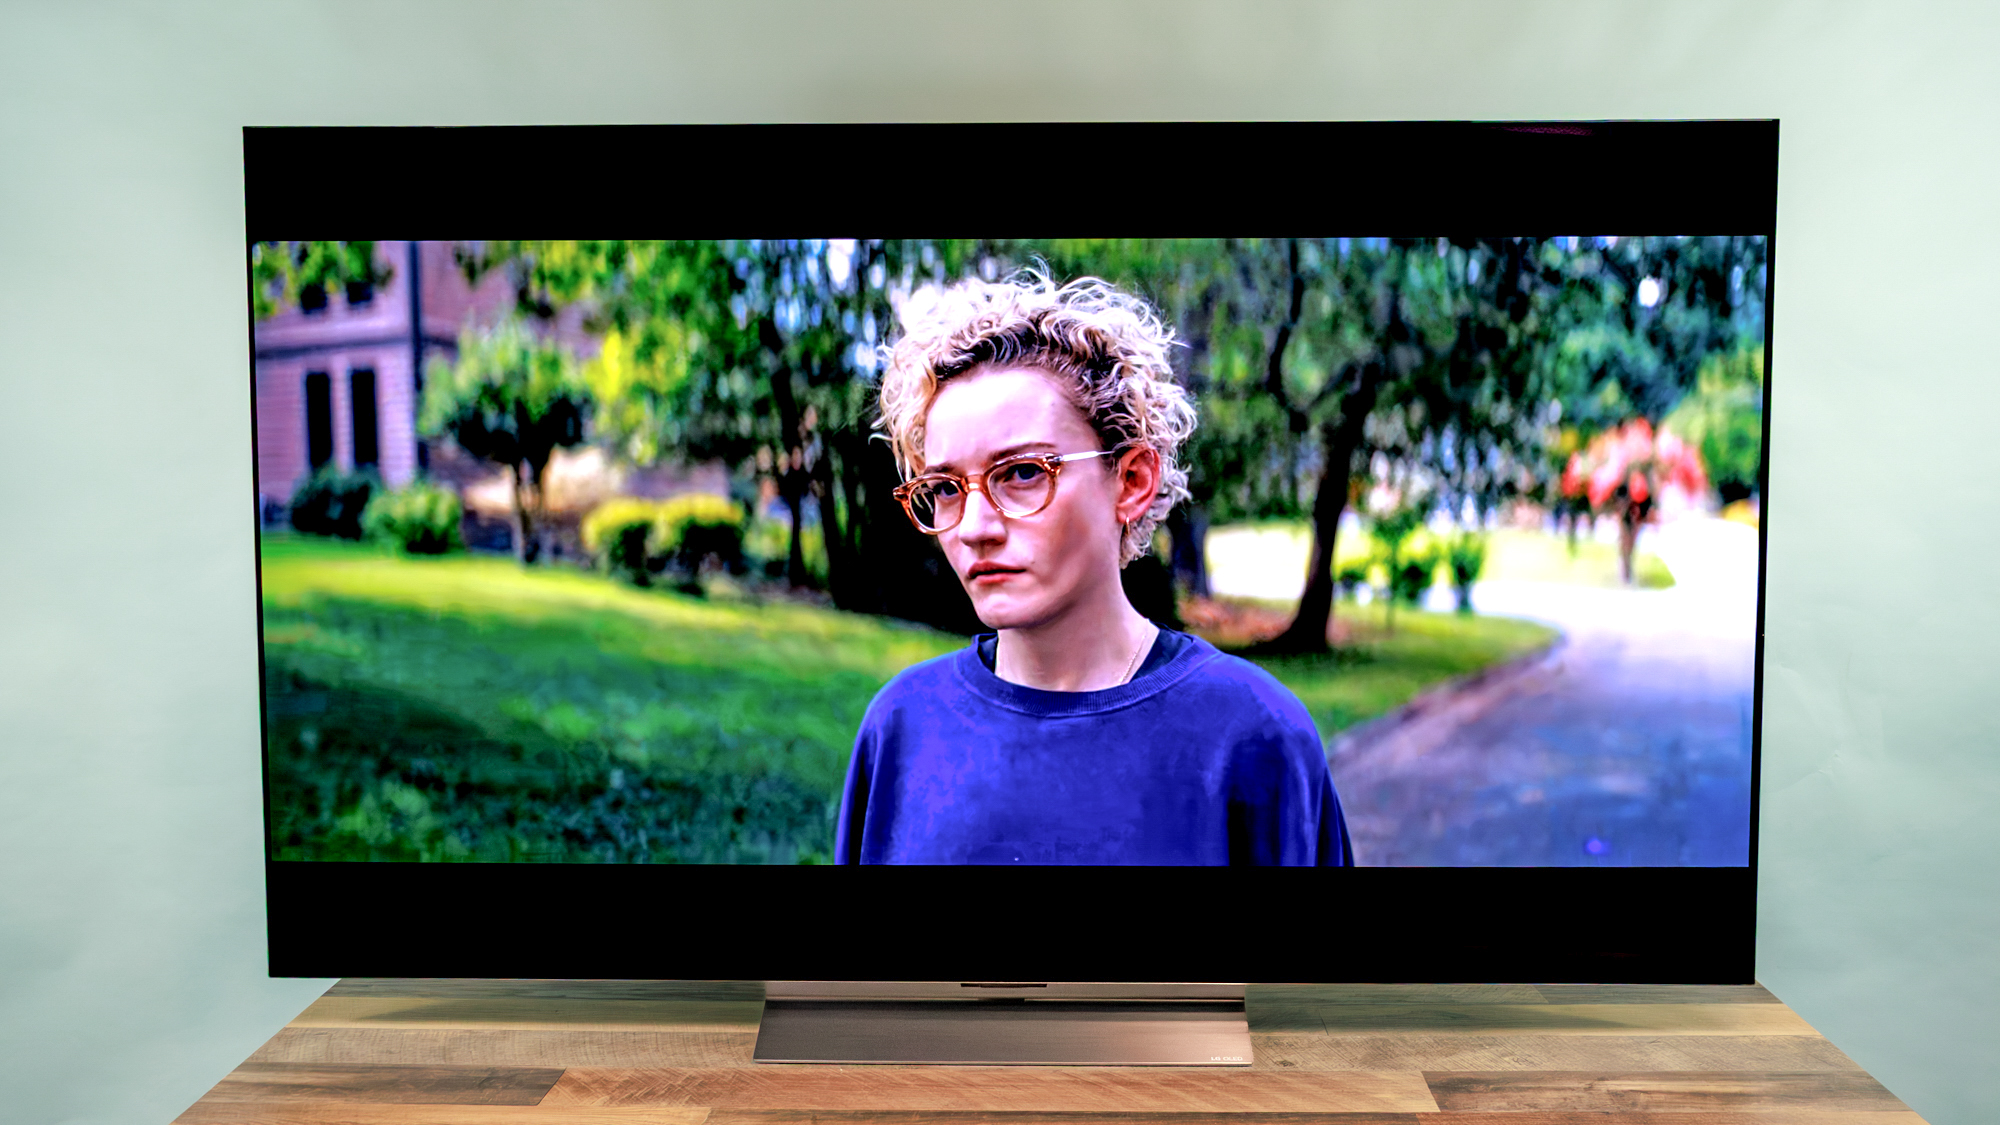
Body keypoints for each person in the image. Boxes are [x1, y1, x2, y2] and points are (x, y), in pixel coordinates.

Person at [834, 272, 1352, 866]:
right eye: (946, 487)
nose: (974, 526)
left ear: (1131, 480)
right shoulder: (902, 729)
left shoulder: (1252, 737)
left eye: (1023, 473)